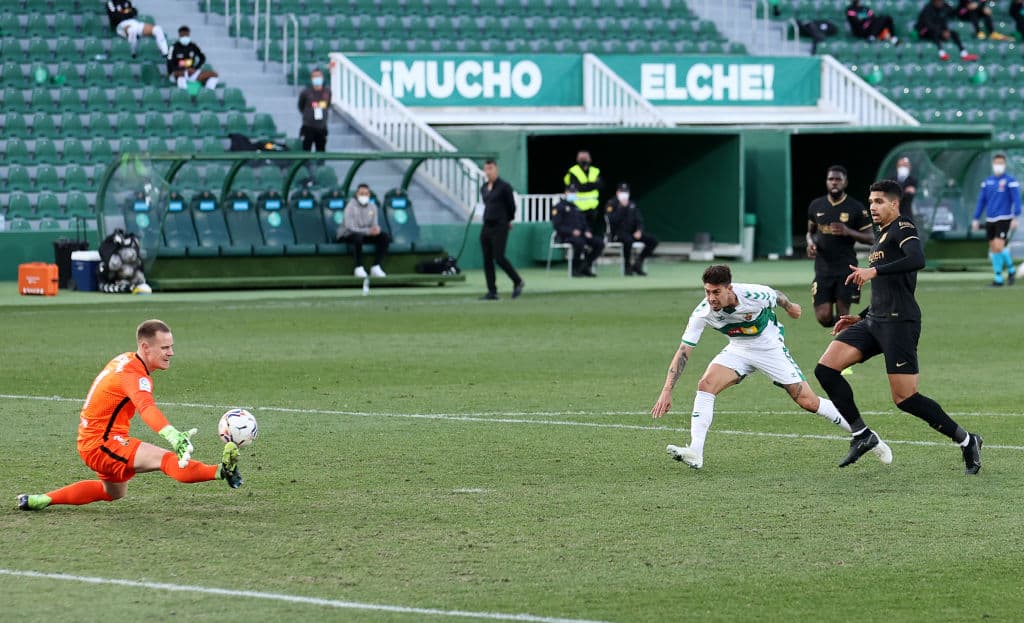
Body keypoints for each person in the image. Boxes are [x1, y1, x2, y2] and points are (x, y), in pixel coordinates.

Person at [650, 264, 892, 470]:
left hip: (769, 348)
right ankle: (695, 451)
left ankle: (867, 436)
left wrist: (790, 306)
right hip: (738, 349)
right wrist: (667, 390)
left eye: (716, 292)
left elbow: (776, 294)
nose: (711, 298)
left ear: (729, 289)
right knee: (706, 385)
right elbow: (683, 352)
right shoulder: (703, 313)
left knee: (808, 402)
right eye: (707, 292)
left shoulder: (752, 294)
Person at [815, 180, 983, 474]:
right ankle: (862, 435)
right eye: (870, 201)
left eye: (879, 201)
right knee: (826, 368)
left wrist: (873, 270)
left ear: (895, 204)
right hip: (874, 320)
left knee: (905, 398)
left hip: (899, 323)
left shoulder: (904, 226)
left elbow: (917, 259)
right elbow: (887, 286)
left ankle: (967, 440)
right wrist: (862, 315)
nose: (872, 207)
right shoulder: (881, 236)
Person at [17, 320, 242, 511]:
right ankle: (221, 471)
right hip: (101, 443)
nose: (171, 352)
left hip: (94, 439)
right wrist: (173, 436)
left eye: (171, 346)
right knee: (165, 459)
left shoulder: (125, 360)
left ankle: (42, 499)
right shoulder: (134, 375)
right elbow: (146, 408)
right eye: (164, 348)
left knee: (113, 492)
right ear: (145, 347)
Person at [806, 165, 874, 328]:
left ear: (845, 183)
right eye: (831, 179)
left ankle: (844, 343)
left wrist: (848, 231)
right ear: (826, 182)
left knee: (844, 315)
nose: (834, 182)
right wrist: (810, 244)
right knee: (823, 317)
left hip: (846, 267)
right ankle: (844, 330)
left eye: (838, 179)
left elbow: (872, 238)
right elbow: (810, 233)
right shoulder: (816, 205)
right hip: (822, 268)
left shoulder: (856, 208)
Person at [971, 153, 1020, 287]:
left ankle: (998, 279)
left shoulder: (1010, 181)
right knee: (994, 249)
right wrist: (976, 218)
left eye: (1001, 163)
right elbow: (981, 201)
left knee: (999, 247)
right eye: (996, 163)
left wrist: (1016, 216)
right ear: (993, 164)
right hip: (990, 219)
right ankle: (1010, 270)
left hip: (1004, 218)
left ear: (1004, 164)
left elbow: (1017, 199)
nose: (998, 165)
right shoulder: (987, 182)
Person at [479, 159, 524, 300]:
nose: (488, 172)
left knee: (499, 257)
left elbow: (511, 206)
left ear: (496, 169)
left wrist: (508, 220)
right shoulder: (484, 188)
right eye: (486, 169)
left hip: (500, 225)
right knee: (487, 259)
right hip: (487, 224)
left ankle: (517, 281)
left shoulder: (504, 187)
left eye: (490, 168)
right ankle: (492, 291)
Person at [551, 182, 604, 278]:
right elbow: (557, 226)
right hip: (566, 236)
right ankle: (575, 269)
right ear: (566, 193)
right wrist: (571, 231)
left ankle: (585, 266)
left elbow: (584, 223)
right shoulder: (559, 207)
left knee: (599, 243)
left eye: (575, 192)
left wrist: (587, 231)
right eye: (571, 192)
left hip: (581, 235)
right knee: (580, 243)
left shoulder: (577, 207)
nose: (573, 194)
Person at [336, 183, 389, 278]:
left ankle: (376, 266)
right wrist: (368, 231)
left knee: (384, 237)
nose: (364, 196)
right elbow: (350, 227)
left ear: (369, 195)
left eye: (366, 193)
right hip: (347, 234)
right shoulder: (350, 206)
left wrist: (376, 229)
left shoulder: (373, 207)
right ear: (357, 194)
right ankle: (359, 267)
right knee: (357, 238)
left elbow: (374, 224)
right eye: (361, 193)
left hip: (365, 234)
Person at [606, 182, 658, 276]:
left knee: (653, 240)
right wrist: (621, 207)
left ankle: (638, 263)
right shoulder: (612, 204)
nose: (624, 194)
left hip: (633, 233)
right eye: (622, 191)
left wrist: (639, 230)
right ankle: (627, 266)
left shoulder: (632, 204)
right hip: (618, 234)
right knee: (628, 241)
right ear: (617, 193)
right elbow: (612, 221)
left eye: (626, 192)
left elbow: (639, 220)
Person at [563, 150, 604, 236]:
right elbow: (578, 187)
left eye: (586, 158)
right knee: (580, 231)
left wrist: (585, 185)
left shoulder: (595, 170)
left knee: (591, 232)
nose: (584, 160)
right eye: (582, 158)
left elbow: (601, 185)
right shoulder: (573, 171)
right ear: (577, 159)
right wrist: (592, 184)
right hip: (578, 207)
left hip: (593, 207)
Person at [166, 25, 219, 91]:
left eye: (186, 35)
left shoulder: (193, 46)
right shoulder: (173, 47)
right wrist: (178, 70)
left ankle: (207, 92)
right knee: (180, 77)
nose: (185, 37)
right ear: (179, 35)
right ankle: (184, 96)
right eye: (183, 35)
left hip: (191, 72)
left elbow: (202, 58)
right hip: (178, 73)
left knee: (214, 75)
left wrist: (195, 68)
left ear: (189, 35)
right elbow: (169, 62)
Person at [297, 68, 331, 152]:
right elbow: (301, 106)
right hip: (309, 126)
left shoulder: (327, 92)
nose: (317, 79)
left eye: (319, 76)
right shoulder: (305, 92)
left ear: (322, 77)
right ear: (311, 78)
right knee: (306, 149)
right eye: (314, 77)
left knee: (321, 150)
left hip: (322, 126)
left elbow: (328, 105)